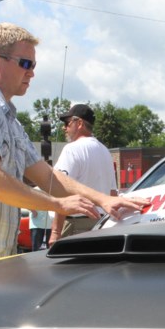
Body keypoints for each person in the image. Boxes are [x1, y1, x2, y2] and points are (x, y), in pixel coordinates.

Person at [0, 23, 146, 273]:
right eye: (26, 63)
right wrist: (58, 205)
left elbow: (47, 176)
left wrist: (105, 199)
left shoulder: (9, 120)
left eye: (33, 65)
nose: (32, 73)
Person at [50, 103, 117, 242]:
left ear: (79, 123)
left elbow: (61, 190)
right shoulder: (105, 151)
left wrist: (56, 232)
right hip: (102, 224)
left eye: (67, 123)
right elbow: (113, 194)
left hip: (76, 226)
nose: (64, 127)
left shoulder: (72, 149)